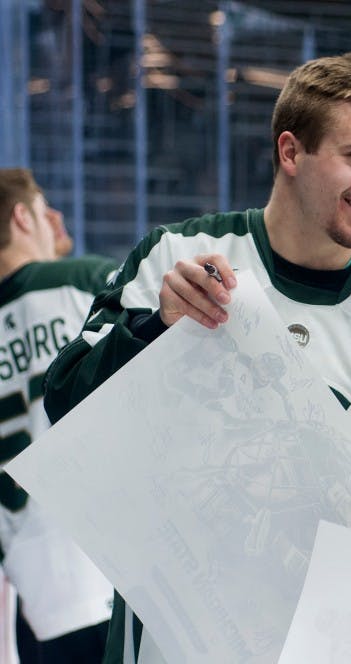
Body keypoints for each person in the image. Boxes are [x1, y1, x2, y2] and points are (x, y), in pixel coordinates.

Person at [42, 54, 351, 663]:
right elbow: (66, 402)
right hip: (166, 642)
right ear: (290, 152)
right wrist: (153, 327)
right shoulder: (179, 254)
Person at [0, 168, 118, 663]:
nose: (58, 219)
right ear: (22, 216)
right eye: (45, 207)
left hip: (38, 611)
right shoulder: (86, 282)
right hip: (117, 577)